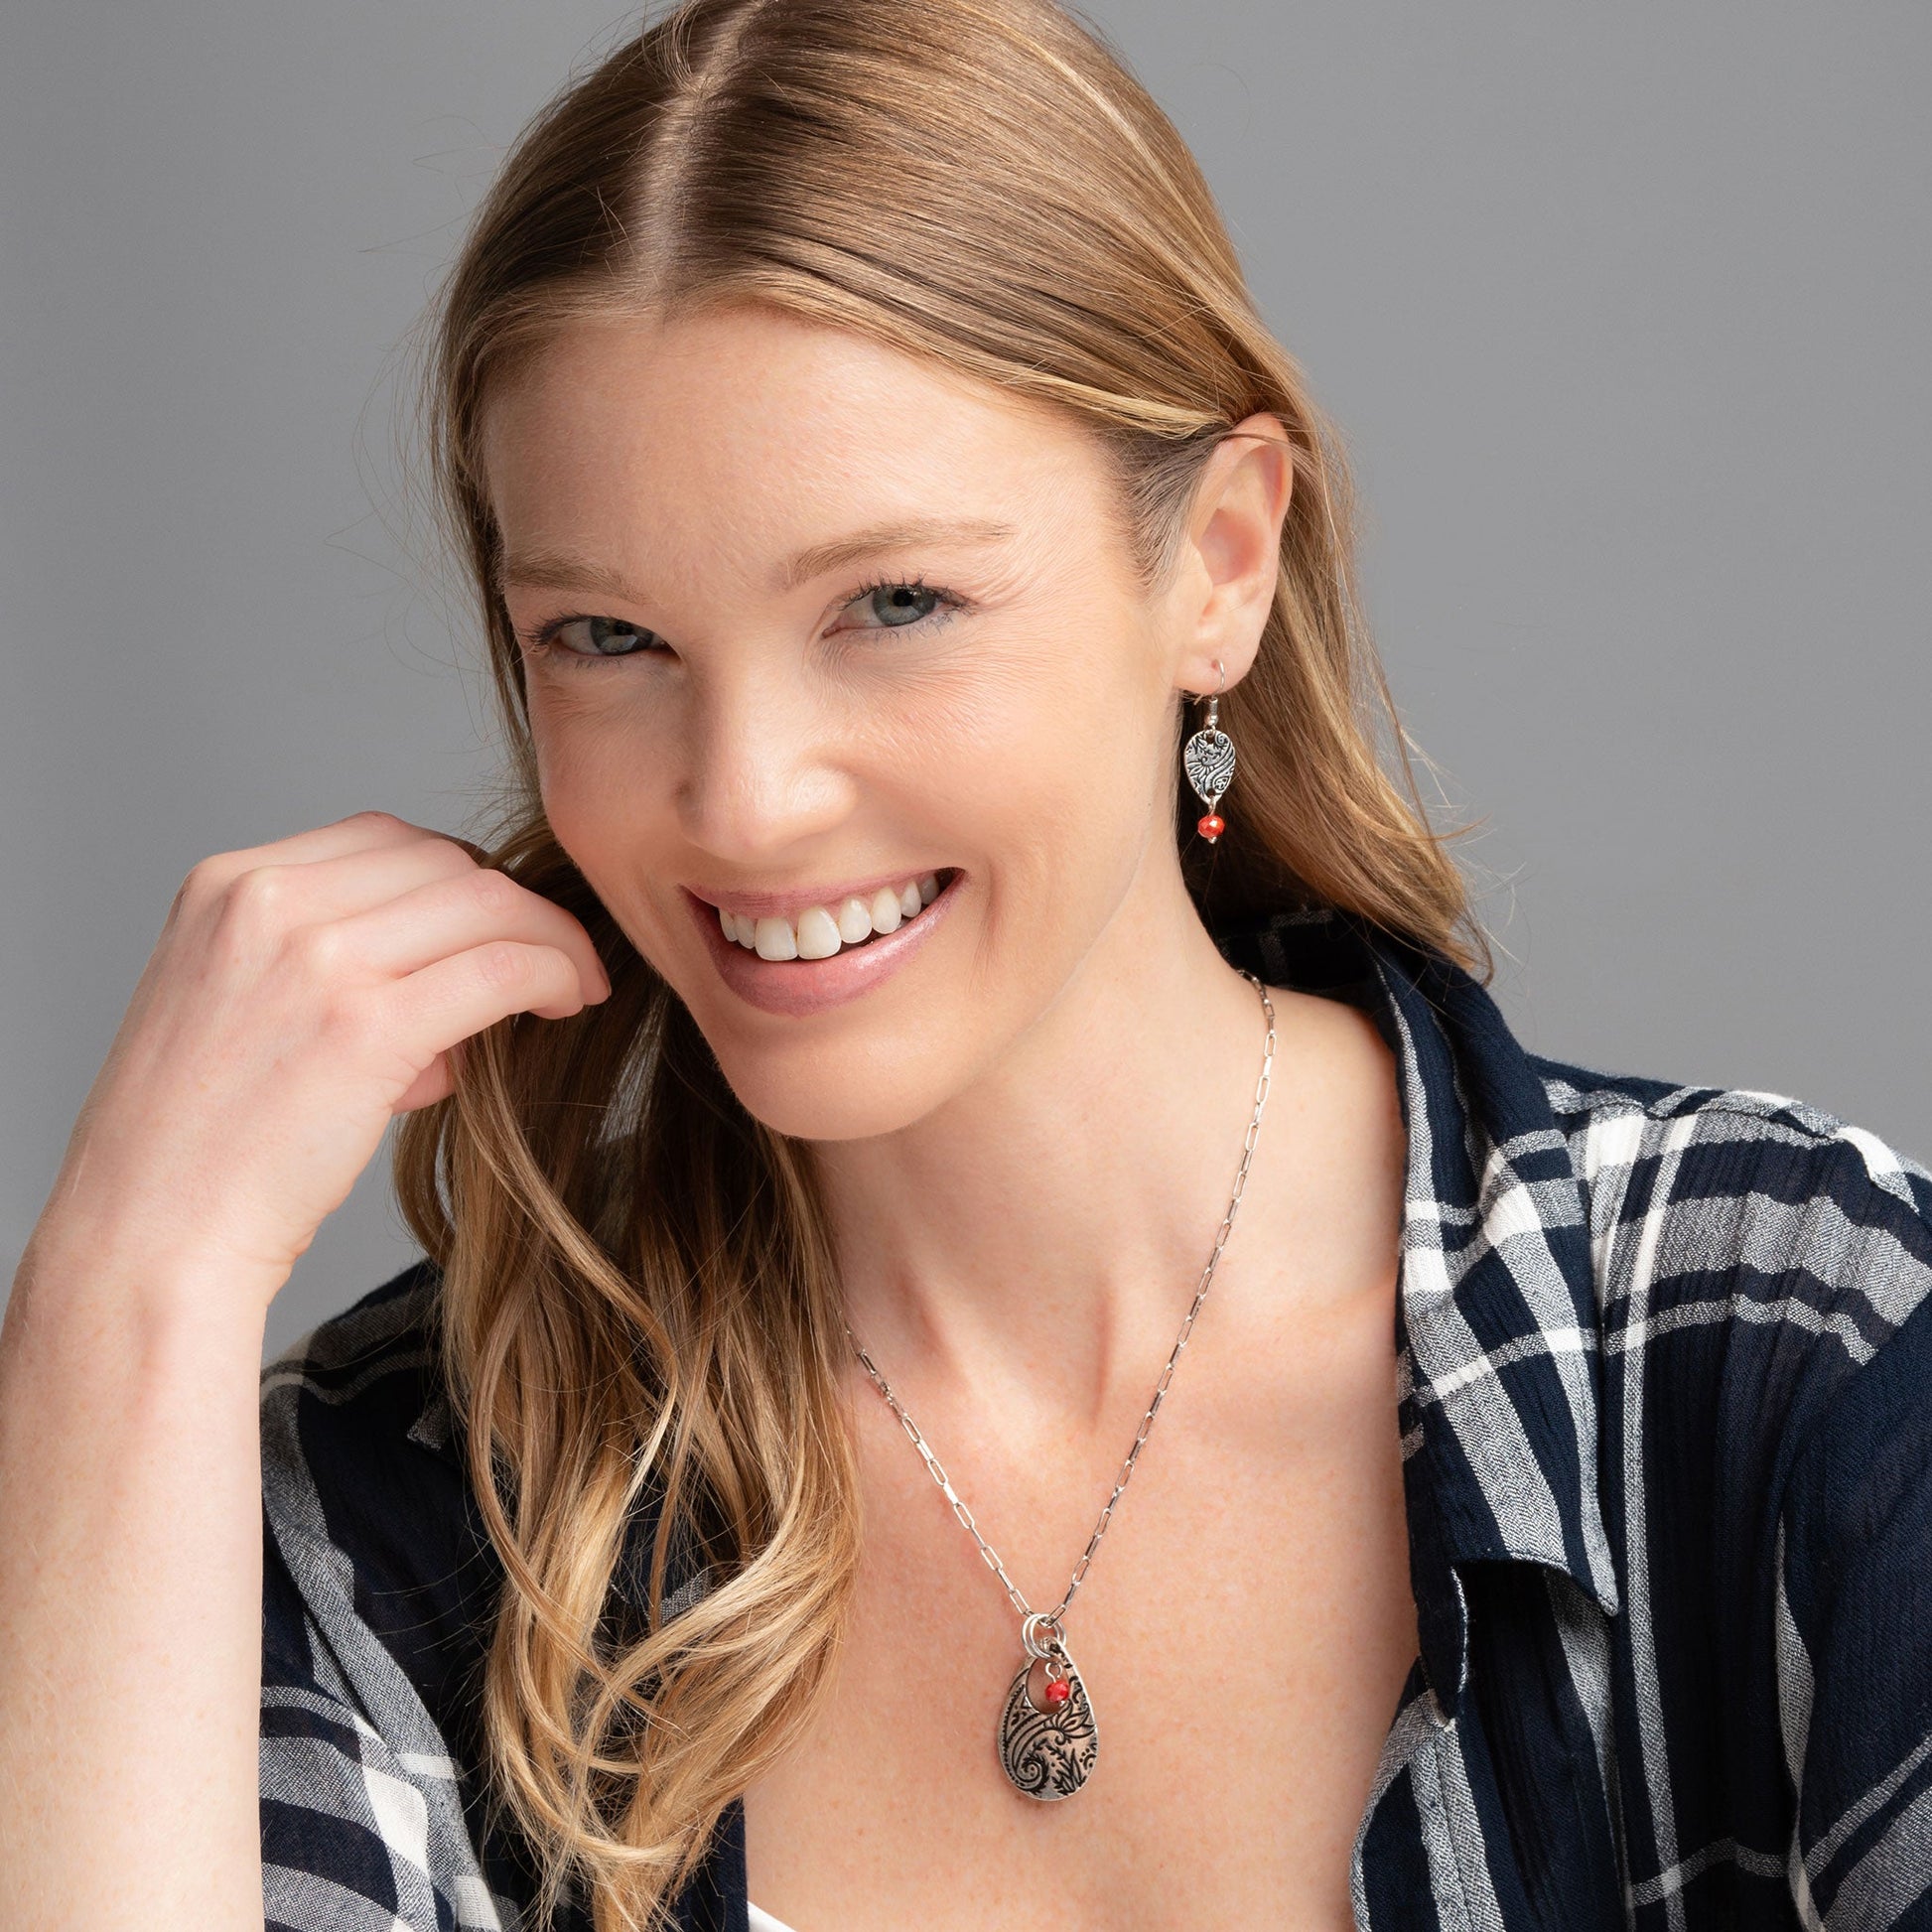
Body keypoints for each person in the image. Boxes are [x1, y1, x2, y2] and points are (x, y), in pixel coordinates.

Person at [5, 1, 1931, 1928]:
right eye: (607, 635)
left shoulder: (1779, 1350)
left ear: (1220, 564)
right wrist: (127, 1296)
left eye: (893, 602)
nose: (744, 801)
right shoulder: (406, 1516)